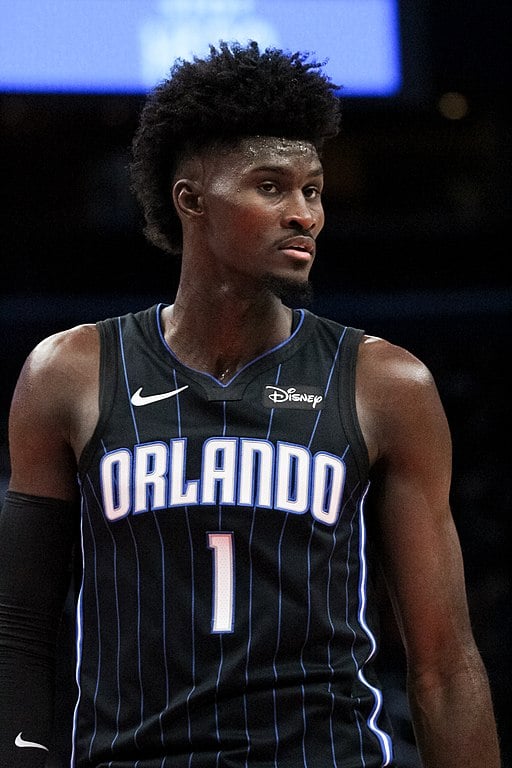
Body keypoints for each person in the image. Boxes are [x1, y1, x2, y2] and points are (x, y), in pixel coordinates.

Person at [0, 40, 501, 768]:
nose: (304, 214)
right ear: (191, 199)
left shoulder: (386, 384)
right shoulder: (70, 372)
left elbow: (445, 664)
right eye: (272, 187)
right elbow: (19, 629)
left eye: (313, 189)